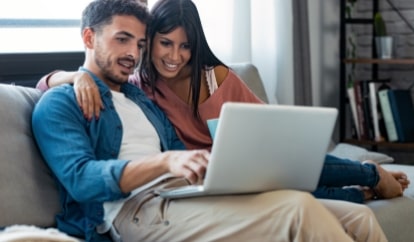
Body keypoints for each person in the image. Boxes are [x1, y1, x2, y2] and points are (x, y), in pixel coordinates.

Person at [33, 0, 390, 241]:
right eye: (122, 40)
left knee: (358, 219)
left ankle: (363, 180)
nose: (132, 53)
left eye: (139, 44)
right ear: (89, 37)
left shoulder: (141, 96)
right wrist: (167, 161)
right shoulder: (61, 103)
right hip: (134, 209)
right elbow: (81, 180)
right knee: (296, 209)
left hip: (187, 194)